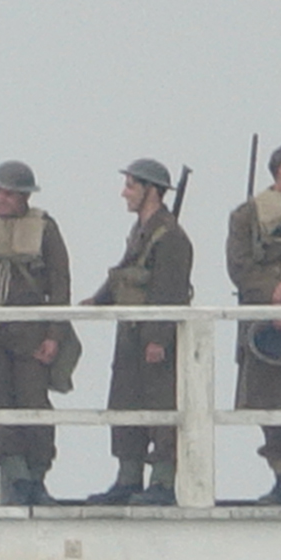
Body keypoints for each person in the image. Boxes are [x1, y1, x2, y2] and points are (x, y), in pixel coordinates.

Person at [86, 159, 194, 507]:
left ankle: (162, 482)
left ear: (150, 190)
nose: (125, 193)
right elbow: (125, 271)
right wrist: (97, 301)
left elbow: (170, 291)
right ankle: (128, 477)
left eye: (131, 186)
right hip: (131, 332)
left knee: (160, 407)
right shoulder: (142, 231)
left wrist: (157, 339)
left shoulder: (171, 236)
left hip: (152, 336)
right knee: (125, 401)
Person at [0, 160, 72, 506]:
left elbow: (60, 283)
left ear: (24, 197)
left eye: (9, 193)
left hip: (30, 332)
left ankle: (37, 477)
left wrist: (54, 335)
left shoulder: (45, 229)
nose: (0, 198)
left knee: (34, 405)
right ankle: (17, 477)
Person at [227, 143, 281, 503]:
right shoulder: (246, 216)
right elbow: (240, 267)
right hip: (264, 328)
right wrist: (275, 296)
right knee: (271, 405)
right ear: (280, 170)